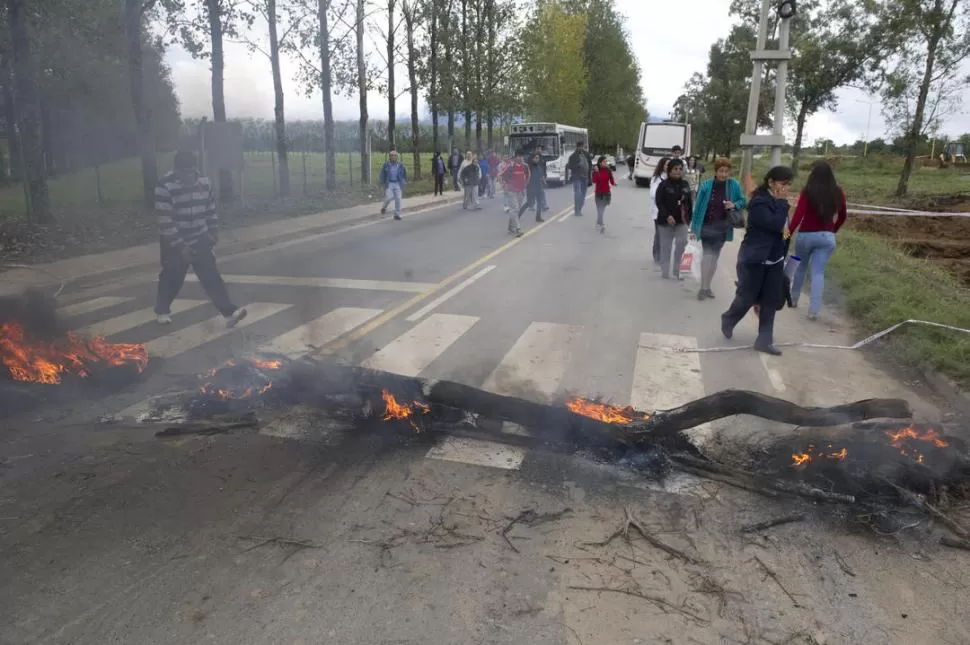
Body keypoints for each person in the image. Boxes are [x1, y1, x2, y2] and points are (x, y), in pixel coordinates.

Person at [154, 150, 247, 328]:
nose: (188, 176)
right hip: (174, 238)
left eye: (191, 172)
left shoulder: (204, 182)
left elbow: (210, 209)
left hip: (199, 235)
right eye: (184, 173)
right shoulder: (164, 185)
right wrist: (181, 247)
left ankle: (229, 313)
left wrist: (213, 231)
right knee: (173, 276)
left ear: (195, 169)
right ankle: (162, 310)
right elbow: (165, 220)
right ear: (177, 171)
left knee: (210, 275)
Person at [720, 165, 795, 356]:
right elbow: (775, 224)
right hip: (754, 259)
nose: (786, 188)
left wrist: (784, 251)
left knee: (770, 300)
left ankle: (764, 340)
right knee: (747, 297)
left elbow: (784, 230)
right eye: (782, 183)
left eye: (788, 184)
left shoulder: (779, 203)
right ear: (770, 182)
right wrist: (782, 203)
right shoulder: (759, 202)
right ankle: (729, 319)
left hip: (774, 260)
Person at [790, 160, 848, 320]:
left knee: (800, 268)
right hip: (826, 237)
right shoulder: (838, 192)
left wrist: (785, 236)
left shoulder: (807, 191)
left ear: (813, 174)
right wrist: (832, 230)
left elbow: (798, 216)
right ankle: (813, 311)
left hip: (806, 235)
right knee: (818, 273)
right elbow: (843, 216)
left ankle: (793, 300)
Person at [690, 157, 747, 300]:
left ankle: (707, 286)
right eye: (721, 171)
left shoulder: (733, 185)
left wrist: (733, 205)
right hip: (707, 226)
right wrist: (694, 228)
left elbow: (743, 200)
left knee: (714, 257)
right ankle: (703, 288)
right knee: (707, 255)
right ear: (716, 171)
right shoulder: (706, 185)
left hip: (723, 227)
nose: (723, 174)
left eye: (726, 171)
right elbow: (697, 208)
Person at [654, 158, 693, 279]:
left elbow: (689, 204)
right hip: (665, 222)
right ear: (669, 170)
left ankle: (677, 269)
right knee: (666, 246)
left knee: (681, 245)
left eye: (680, 169)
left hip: (681, 222)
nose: (678, 171)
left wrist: (689, 221)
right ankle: (665, 269)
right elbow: (659, 202)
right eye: (675, 169)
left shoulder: (685, 185)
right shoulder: (663, 185)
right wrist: (667, 216)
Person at [502, 150, 530, 236]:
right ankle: (518, 228)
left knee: (516, 210)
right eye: (519, 156)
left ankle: (510, 228)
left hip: (521, 191)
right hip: (512, 191)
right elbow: (503, 175)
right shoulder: (511, 166)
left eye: (522, 156)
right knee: (515, 209)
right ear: (516, 157)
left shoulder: (525, 166)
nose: (521, 158)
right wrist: (507, 186)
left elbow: (528, 176)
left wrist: (525, 186)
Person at [649, 157, 670, 265]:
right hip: (658, 211)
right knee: (660, 233)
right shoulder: (656, 179)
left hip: (670, 212)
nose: (668, 166)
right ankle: (657, 255)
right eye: (666, 164)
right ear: (662, 166)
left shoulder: (673, 178)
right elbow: (652, 194)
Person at [565, 141, 594, 217]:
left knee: (583, 195)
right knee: (578, 193)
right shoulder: (573, 156)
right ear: (577, 147)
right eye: (580, 147)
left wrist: (590, 177)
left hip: (585, 177)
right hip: (577, 177)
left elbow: (590, 166)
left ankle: (579, 209)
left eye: (582, 147)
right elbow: (570, 166)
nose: (581, 148)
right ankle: (577, 210)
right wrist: (578, 164)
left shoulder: (586, 154)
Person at [517, 151, 545, 223]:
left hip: (538, 186)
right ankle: (518, 215)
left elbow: (541, 175)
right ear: (532, 158)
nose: (537, 159)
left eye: (538, 158)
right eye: (536, 158)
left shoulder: (538, 166)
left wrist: (544, 182)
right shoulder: (528, 167)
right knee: (529, 203)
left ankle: (538, 217)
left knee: (539, 202)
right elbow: (524, 176)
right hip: (531, 187)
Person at [379, 150, 407, 220]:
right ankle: (384, 207)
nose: (393, 157)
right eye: (392, 156)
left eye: (395, 156)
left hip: (398, 183)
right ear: (389, 157)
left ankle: (397, 214)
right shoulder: (386, 164)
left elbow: (404, 173)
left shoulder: (400, 165)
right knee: (389, 197)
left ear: (397, 157)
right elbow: (382, 174)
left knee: (398, 199)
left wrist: (403, 181)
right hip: (389, 183)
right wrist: (382, 182)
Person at [591, 155, 616, 234]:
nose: (606, 163)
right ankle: (599, 223)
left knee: (601, 209)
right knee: (599, 210)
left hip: (606, 193)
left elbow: (611, 179)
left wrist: (614, 183)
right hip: (598, 193)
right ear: (600, 162)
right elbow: (595, 181)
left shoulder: (608, 170)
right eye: (604, 161)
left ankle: (601, 224)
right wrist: (597, 172)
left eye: (606, 161)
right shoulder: (596, 170)